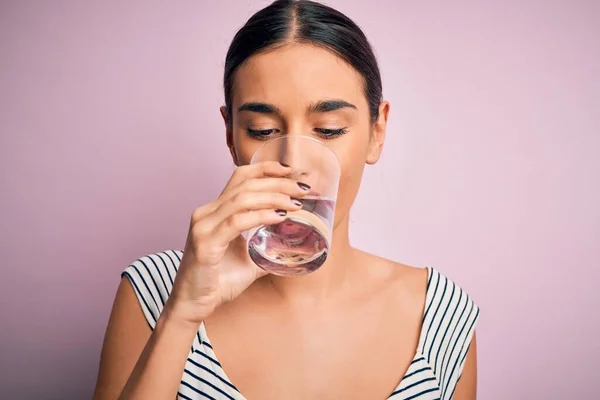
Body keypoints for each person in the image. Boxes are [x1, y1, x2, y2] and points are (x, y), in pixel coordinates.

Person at [93, 1, 479, 399]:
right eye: (263, 131)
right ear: (230, 134)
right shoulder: (155, 291)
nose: (294, 163)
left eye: (328, 130)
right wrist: (183, 313)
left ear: (377, 130)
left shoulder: (439, 317)